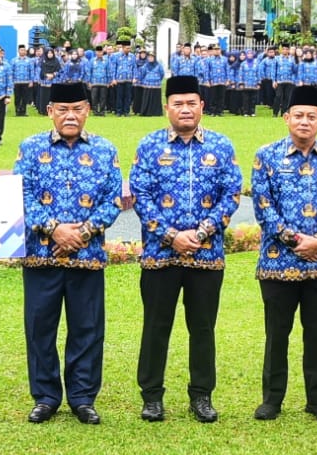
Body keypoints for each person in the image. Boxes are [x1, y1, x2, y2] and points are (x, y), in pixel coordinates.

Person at [128, 75, 243, 424]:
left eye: (191, 103)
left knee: (203, 327)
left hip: (206, 256)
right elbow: (141, 197)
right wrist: (171, 235)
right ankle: (152, 396)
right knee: (155, 326)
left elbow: (231, 194)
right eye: (178, 103)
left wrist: (203, 231)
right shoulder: (149, 146)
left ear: (202, 106)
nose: (185, 109)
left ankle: (202, 395)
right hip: (160, 256)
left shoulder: (221, 147)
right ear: (167, 108)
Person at [14, 82, 123, 425]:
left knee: (87, 328)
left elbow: (113, 200)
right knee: (40, 327)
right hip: (41, 255)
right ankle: (45, 396)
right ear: (50, 112)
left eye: (77, 108)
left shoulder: (106, 150)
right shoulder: (30, 149)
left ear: (88, 110)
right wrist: (54, 228)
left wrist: (83, 233)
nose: (71, 116)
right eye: (63, 109)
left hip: (87, 256)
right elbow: (21, 194)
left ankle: (82, 397)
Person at [251, 84, 317, 423]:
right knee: (277, 334)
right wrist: (296, 241)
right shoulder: (267, 156)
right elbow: (264, 207)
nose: (304, 122)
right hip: (278, 262)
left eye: (311, 117)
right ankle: (272, 399)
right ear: (286, 118)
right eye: (298, 116)